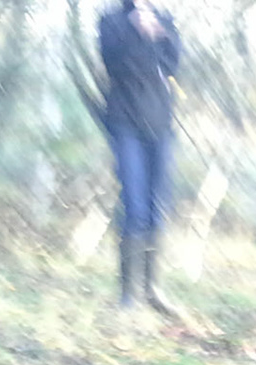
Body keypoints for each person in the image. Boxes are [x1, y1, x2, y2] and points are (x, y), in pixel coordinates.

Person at [99, 0, 181, 312]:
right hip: (125, 123)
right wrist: (136, 33)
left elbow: (172, 65)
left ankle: (152, 290)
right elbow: (114, 65)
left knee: (157, 208)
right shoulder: (111, 22)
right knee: (134, 208)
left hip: (161, 124)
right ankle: (128, 296)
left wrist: (159, 34)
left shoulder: (165, 20)